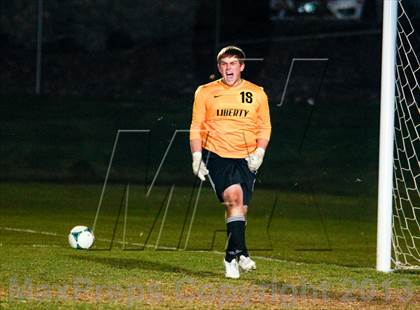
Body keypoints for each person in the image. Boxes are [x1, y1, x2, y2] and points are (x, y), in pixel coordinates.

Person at [189, 46, 271, 279]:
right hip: (217, 155)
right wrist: (196, 156)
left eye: (233, 63)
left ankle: (238, 252)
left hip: (246, 157)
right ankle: (231, 259)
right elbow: (196, 125)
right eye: (224, 64)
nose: (228, 68)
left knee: (240, 210)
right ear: (219, 68)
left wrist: (260, 152)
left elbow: (265, 126)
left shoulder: (257, 93)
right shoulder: (205, 92)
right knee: (234, 199)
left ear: (242, 66)